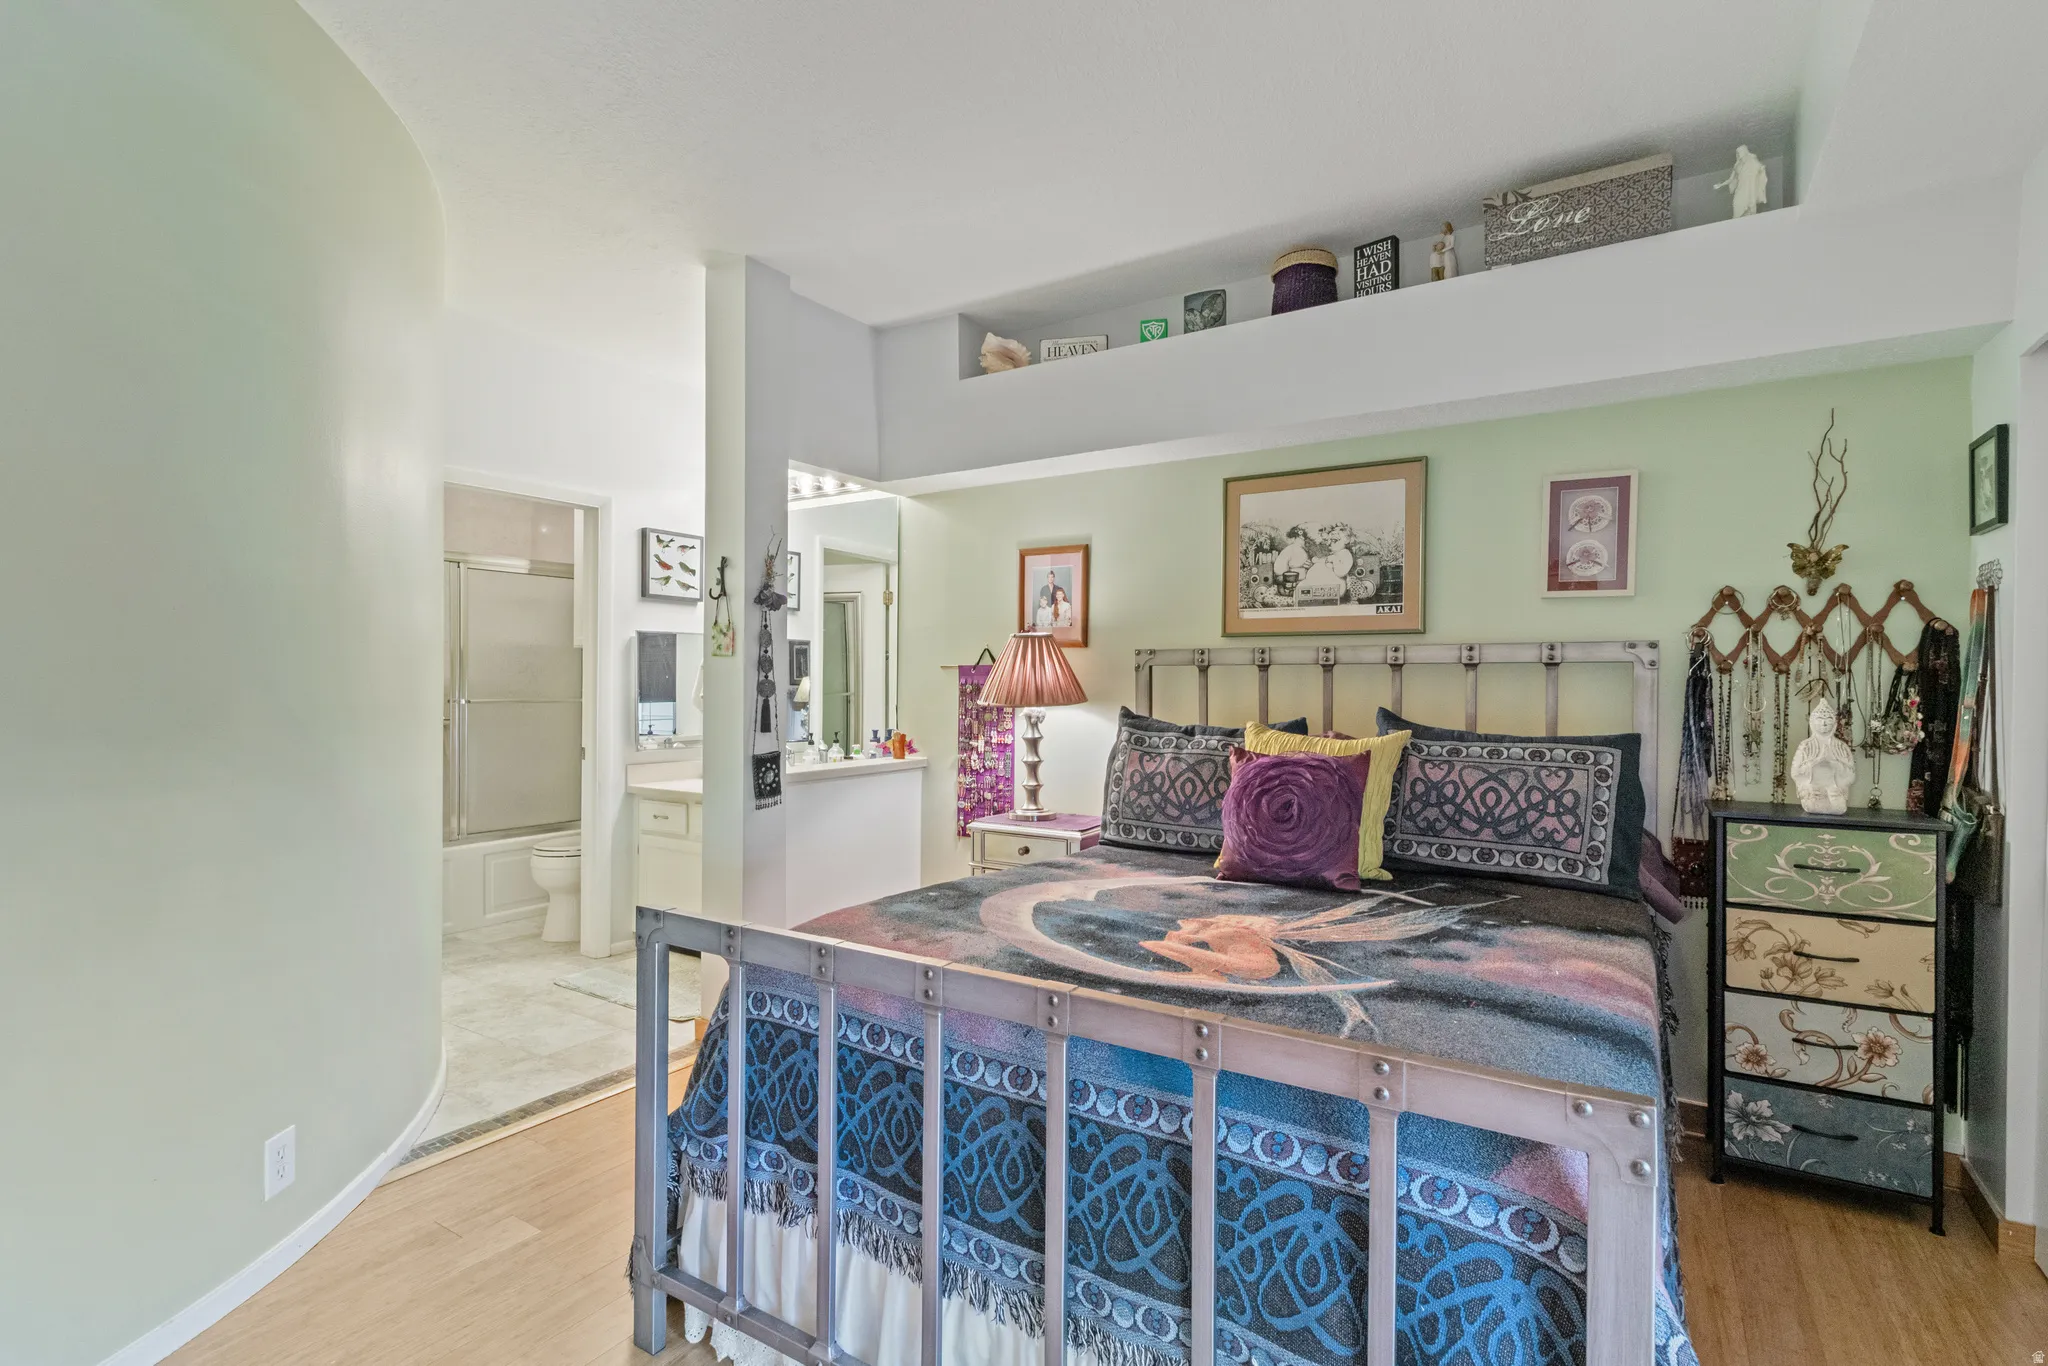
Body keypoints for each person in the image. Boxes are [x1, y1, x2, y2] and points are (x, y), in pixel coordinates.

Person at [1791, 694, 1855, 814]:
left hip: (1835, 790)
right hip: (1813, 791)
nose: (1824, 724)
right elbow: (1795, 772)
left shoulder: (1841, 746)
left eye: (1828, 720)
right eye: (1820, 720)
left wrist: (1834, 763)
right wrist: (1816, 761)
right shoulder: (1805, 746)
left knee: (1838, 808)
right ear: (1812, 723)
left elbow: (1850, 774)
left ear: (1834, 724)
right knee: (1812, 806)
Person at [1272, 525, 1314, 598]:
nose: (1303, 540)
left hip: (1306, 583)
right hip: (1290, 584)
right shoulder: (1289, 550)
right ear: (1294, 538)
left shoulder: (1306, 550)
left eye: (1304, 539)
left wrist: (1310, 567)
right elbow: (1278, 570)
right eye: (1300, 538)